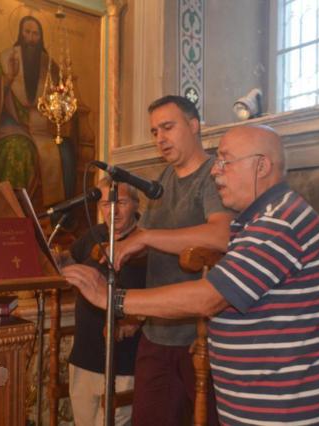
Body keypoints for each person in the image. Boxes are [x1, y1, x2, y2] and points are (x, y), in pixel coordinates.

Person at [64, 125, 319, 425]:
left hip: (288, 413)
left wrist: (113, 298)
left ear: (261, 166)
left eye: (225, 161)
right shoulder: (257, 222)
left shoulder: (280, 221)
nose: (215, 171)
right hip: (258, 410)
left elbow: (209, 298)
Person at [110, 95, 232, 425]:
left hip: (200, 336)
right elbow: (148, 240)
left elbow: (221, 235)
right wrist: (121, 245)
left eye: (167, 127)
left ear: (193, 126)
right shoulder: (164, 179)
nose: (160, 138)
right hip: (157, 331)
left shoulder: (213, 175)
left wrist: (146, 237)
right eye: (154, 132)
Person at [66, 177, 145, 426]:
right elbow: (69, 261)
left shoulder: (147, 240)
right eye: (106, 204)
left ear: (136, 204)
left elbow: (163, 294)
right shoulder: (94, 234)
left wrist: (136, 319)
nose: (113, 211)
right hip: (84, 354)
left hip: (123, 360)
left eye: (120, 202)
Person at [0, 15, 74, 207]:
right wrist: (8, 78)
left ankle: (56, 214)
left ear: (41, 37)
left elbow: (64, 97)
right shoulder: (7, 58)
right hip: (14, 124)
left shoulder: (49, 65)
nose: (31, 38)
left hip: (44, 129)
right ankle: (13, 209)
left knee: (66, 152)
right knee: (19, 147)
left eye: (35, 34)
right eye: (27, 32)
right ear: (20, 34)